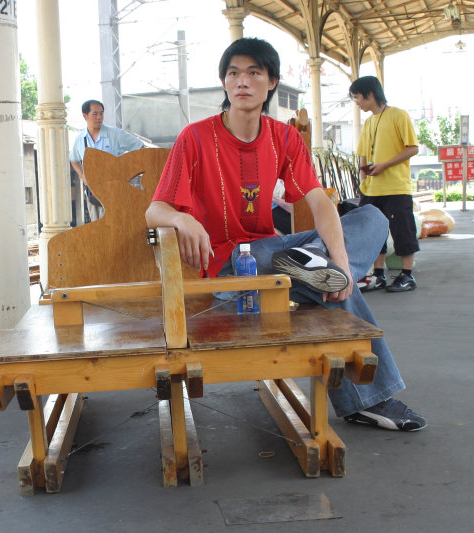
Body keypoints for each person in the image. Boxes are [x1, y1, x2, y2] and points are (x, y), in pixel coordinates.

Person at [145, 37, 426, 431]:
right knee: (287, 265)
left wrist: (342, 264)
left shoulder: (285, 138)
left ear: (271, 82)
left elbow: (319, 201)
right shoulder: (195, 138)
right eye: (233, 73)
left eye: (254, 73)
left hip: (279, 256)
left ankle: (318, 265)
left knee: (373, 219)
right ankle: (368, 400)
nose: (242, 81)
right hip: (234, 265)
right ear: (224, 83)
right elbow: (153, 210)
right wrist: (182, 220)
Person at [349, 76, 420, 292]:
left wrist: (385, 165)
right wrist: (363, 182)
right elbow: (362, 155)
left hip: (396, 187)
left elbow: (412, 148)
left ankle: (407, 276)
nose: (357, 103)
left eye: (358, 98)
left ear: (370, 94)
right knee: (371, 233)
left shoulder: (399, 115)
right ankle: (377, 275)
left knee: (402, 230)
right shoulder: (368, 122)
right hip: (371, 190)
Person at [70, 100, 144, 222]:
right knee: (98, 230)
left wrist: (127, 171)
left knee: (118, 226)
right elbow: (74, 160)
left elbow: (140, 148)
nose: (99, 117)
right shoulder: (80, 139)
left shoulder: (116, 134)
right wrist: (83, 176)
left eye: (101, 113)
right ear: (85, 116)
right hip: (94, 195)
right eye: (95, 114)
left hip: (116, 193)